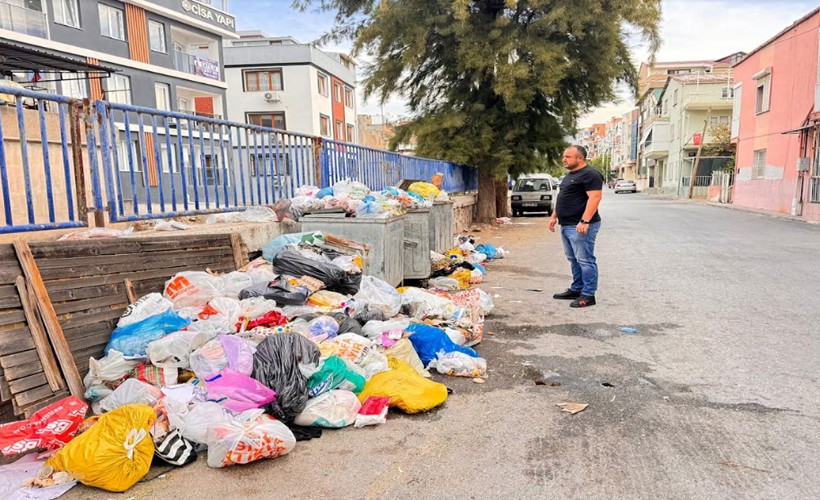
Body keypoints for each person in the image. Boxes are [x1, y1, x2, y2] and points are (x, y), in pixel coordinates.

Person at [549, 145, 603, 308]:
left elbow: (595, 198)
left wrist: (585, 221)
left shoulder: (591, 175)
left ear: (580, 158)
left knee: (585, 260)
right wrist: (554, 216)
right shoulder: (569, 175)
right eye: (563, 156)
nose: (564, 159)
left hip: (581, 225)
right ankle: (577, 288)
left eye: (568, 156)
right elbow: (563, 197)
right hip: (566, 224)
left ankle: (588, 295)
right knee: (573, 259)